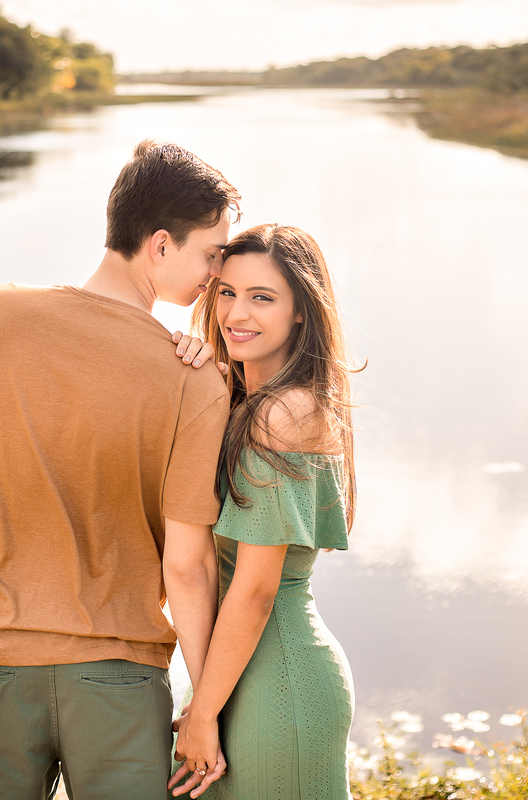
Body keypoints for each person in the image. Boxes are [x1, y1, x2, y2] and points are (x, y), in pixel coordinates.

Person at [0, 139, 238, 800]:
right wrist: (207, 704)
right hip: (119, 679)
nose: (217, 274)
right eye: (211, 254)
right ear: (160, 245)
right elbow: (186, 566)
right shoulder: (196, 380)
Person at [169, 224, 358, 800]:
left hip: (278, 682)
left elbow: (254, 590)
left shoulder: (283, 416)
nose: (236, 313)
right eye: (225, 292)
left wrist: (203, 716)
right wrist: (204, 372)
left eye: (262, 297)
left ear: (302, 311)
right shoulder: (250, 399)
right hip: (236, 677)